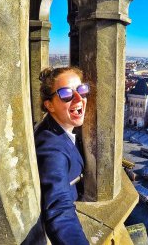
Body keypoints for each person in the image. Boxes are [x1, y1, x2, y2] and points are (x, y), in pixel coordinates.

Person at [34, 66, 89, 245]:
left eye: (81, 90)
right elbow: (58, 209)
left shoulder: (56, 127)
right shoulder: (52, 147)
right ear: (49, 105)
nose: (79, 98)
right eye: (66, 94)